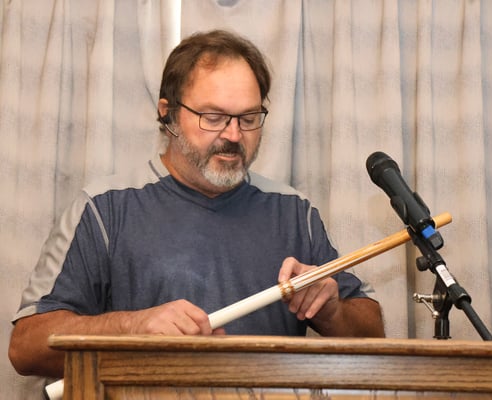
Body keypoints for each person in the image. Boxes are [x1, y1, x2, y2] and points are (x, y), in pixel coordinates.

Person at [8, 29, 385, 379]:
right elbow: (26, 347)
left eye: (248, 118)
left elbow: (372, 333)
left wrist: (332, 311)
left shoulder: (294, 212)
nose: (233, 135)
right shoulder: (104, 209)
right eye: (213, 117)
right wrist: (131, 327)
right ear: (168, 113)